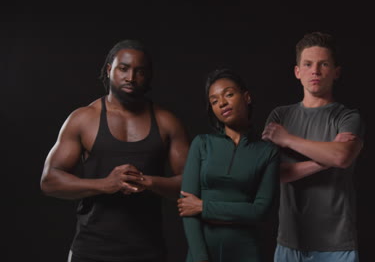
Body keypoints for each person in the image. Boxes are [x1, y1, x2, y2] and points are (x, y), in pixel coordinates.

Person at [40, 39, 190, 262]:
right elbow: (49, 181)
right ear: (110, 70)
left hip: (148, 253)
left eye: (139, 71)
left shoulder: (167, 122)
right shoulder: (83, 119)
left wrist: (149, 182)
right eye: (124, 68)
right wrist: (105, 184)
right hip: (90, 252)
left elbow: (190, 184)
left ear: (148, 76)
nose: (131, 77)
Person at [262, 32, 364, 262]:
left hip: (337, 244)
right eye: (308, 64)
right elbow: (274, 173)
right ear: (297, 72)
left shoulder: (347, 116)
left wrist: (287, 139)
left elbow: (342, 156)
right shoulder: (280, 115)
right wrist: (326, 158)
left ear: (336, 72)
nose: (315, 71)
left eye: (323, 64)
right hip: (290, 242)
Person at [176, 68, 279, 262]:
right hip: (202, 253)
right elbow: (187, 207)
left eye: (229, 94)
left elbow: (259, 211)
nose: (222, 103)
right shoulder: (202, 144)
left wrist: (204, 207)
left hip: (246, 252)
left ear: (246, 97)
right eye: (214, 101)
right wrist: (200, 258)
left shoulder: (267, 152)